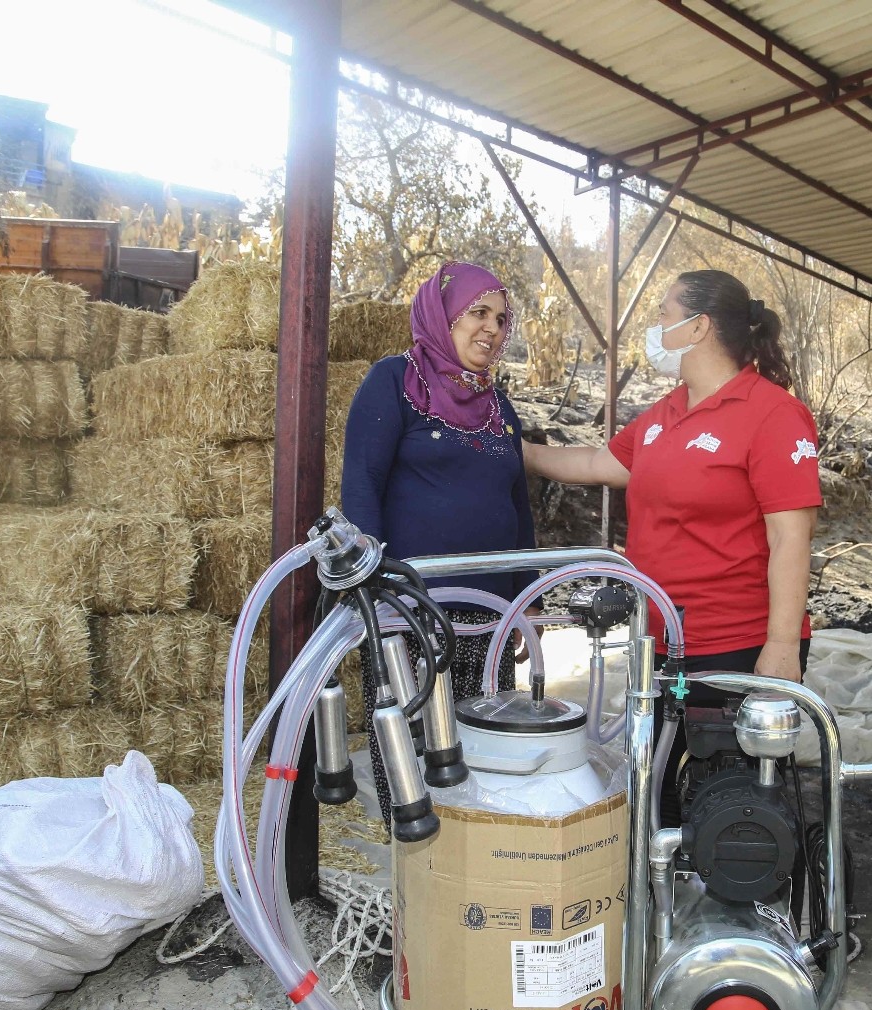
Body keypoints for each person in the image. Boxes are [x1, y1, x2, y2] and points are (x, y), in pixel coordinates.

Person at [524, 267, 821, 703]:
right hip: (659, 636)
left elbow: (791, 536)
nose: (656, 328)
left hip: (736, 644)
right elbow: (597, 462)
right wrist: (517, 452)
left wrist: (781, 646)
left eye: (664, 315)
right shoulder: (668, 410)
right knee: (659, 767)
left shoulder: (773, 414)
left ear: (699, 326)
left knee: (726, 770)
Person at [341, 260, 538, 826]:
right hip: (411, 608)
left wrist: (527, 599)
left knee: (481, 726)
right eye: (478, 313)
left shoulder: (499, 407)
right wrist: (373, 587)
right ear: (442, 314)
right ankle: (406, 840)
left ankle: (472, 840)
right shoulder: (394, 382)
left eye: (502, 319)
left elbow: (518, 502)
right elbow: (362, 484)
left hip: (490, 612)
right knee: (407, 729)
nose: (493, 329)